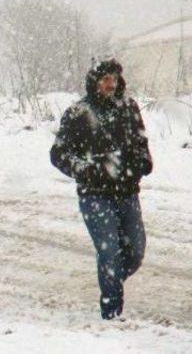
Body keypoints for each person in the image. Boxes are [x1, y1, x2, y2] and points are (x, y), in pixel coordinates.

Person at [50, 58, 153, 320]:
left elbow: (141, 143)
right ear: (94, 81)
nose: (111, 83)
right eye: (105, 79)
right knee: (109, 251)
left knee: (136, 250)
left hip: (127, 192)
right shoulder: (78, 113)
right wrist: (85, 169)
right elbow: (58, 153)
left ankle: (111, 279)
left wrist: (143, 161)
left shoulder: (129, 107)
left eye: (114, 79)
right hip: (95, 196)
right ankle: (111, 310)